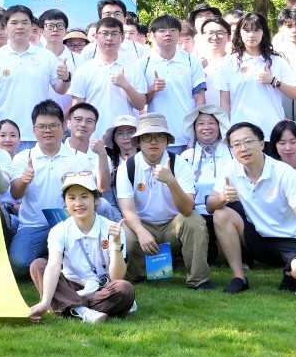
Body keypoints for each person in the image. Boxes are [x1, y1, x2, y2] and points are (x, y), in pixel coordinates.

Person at [208, 121, 296, 295]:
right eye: (236, 144)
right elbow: (210, 205)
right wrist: (222, 197)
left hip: (292, 240)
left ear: (262, 144)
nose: (243, 148)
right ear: (231, 149)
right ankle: (239, 277)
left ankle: (291, 271)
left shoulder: (285, 173)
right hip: (258, 238)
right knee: (221, 213)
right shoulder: (231, 168)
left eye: (248, 142)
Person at [112, 113, 210, 289]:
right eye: (147, 137)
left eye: (159, 136)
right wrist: (141, 232)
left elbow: (187, 209)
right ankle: (139, 274)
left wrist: (171, 181)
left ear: (167, 141)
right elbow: (128, 211)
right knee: (125, 232)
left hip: (173, 225)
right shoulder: (127, 167)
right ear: (139, 141)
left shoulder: (179, 164)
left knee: (195, 221)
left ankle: (199, 280)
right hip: (142, 225)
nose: (153, 142)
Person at [26, 171, 135, 323]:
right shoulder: (59, 230)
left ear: (96, 199)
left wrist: (116, 244)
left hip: (101, 289)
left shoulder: (112, 228)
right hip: (71, 286)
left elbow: (117, 278)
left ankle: (67, 305)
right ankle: (82, 310)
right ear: (65, 201)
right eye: (71, 198)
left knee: (125, 288)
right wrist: (44, 302)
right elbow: (53, 266)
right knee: (38, 265)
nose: (78, 203)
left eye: (84, 197)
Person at [7, 101, 99, 278]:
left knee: (88, 262)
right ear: (34, 130)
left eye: (53, 125)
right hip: (33, 226)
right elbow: (15, 194)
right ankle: (52, 258)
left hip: (69, 224)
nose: (47, 130)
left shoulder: (77, 158)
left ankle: (53, 258)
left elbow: (87, 195)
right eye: (42, 126)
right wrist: (24, 181)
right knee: (19, 264)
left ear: (63, 127)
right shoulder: (23, 157)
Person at [122, 15, 208, 151]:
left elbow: (200, 98)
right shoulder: (143, 63)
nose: (168, 34)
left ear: (179, 34)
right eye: (162, 30)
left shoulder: (192, 60)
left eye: (173, 30)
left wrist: (197, 129)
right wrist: (152, 89)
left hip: (186, 135)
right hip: (155, 135)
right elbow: (140, 103)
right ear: (151, 36)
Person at [0, 6, 55, 147]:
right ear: (6, 27)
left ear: (31, 26)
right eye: (14, 23)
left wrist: (66, 77)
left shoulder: (46, 56)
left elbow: (60, 88)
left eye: (24, 22)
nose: (20, 27)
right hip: (4, 136)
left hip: (38, 134)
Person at [69, 16, 138, 143]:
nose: (109, 38)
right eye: (104, 33)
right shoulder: (84, 70)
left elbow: (140, 104)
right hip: (92, 139)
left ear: (122, 37)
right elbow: (77, 107)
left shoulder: (133, 68)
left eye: (114, 34)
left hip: (124, 140)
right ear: (96, 37)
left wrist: (126, 86)